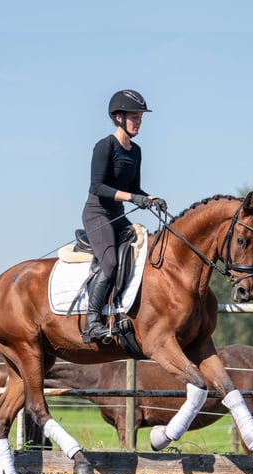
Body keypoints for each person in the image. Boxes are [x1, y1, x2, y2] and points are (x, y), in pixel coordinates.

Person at [80, 89, 165, 343]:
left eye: (140, 117)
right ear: (118, 117)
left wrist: (150, 198)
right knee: (110, 263)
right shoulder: (105, 146)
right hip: (98, 213)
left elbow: (135, 189)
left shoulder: (136, 151)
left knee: (143, 252)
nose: (138, 121)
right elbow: (98, 187)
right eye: (134, 117)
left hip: (117, 215)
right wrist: (132, 198)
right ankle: (92, 323)